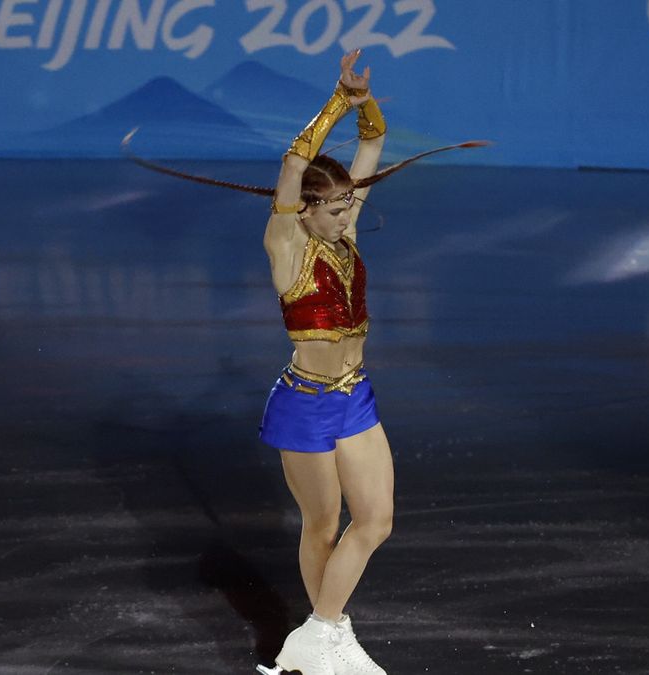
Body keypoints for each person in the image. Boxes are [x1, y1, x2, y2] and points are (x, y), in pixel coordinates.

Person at [122, 50, 485, 675]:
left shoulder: (341, 230)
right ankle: (327, 642)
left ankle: (319, 634)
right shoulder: (286, 244)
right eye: (337, 207)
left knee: (375, 521)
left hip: (356, 396)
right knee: (322, 525)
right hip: (304, 405)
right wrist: (332, 104)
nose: (349, 216)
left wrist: (362, 101)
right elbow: (294, 163)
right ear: (307, 210)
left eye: (351, 205)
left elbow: (375, 139)